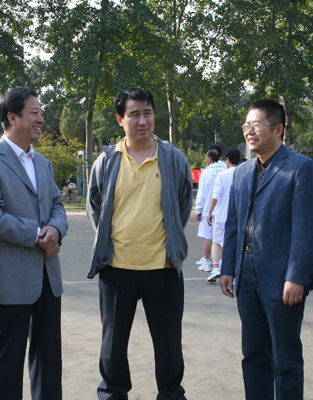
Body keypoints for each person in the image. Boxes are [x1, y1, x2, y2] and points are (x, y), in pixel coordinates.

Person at [87, 88, 192, 400]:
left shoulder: (173, 159)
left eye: (148, 113)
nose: (143, 121)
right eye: (134, 114)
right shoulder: (107, 161)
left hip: (163, 267)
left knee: (169, 343)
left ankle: (171, 395)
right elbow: (96, 207)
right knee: (113, 344)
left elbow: (182, 206)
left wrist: (170, 241)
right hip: (116, 268)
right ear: (120, 119)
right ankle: (112, 394)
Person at [0, 88, 68, 400]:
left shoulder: (43, 164)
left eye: (41, 113)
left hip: (47, 278)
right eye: (34, 113)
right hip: (7, 280)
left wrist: (56, 229)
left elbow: (57, 206)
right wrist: (38, 235)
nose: (41, 119)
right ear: (12, 117)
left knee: (48, 362)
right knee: (4, 365)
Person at [219, 99, 313, 400]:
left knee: (285, 359)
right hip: (247, 275)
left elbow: (306, 228)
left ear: (278, 129)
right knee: (253, 354)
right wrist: (227, 268)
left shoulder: (300, 167)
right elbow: (234, 224)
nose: (249, 131)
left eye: (257, 125)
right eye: (246, 125)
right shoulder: (241, 172)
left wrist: (297, 276)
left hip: (282, 278)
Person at [206, 148, 240, 282]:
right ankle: (234, 273)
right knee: (235, 244)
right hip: (238, 215)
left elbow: (216, 195)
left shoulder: (222, 175)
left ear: (227, 160)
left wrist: (210, 212)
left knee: (216, 242)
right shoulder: (244, 173)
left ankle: (216, 268)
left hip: (221, 215)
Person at [194, 149, 226, 272]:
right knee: (220, 239)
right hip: (222, 210)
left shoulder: (206, 173)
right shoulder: (225, 170)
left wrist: (198, 209)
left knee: (208, 237)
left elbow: (201, 193)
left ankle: (207, 261)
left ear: (210, 158)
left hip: (209, 210)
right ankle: (219, 262)